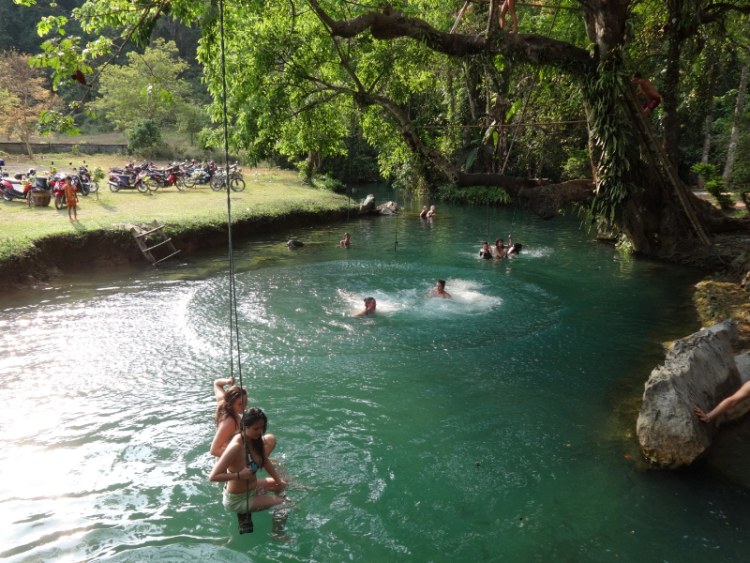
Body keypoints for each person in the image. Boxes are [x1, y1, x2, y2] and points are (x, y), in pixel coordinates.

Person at [209, 408, 288, 534]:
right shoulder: (235, 447)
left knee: (283, 483)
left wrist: (278, 481)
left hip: (252, 488)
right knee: (284, 504)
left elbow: (265, 461)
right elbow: (213, 477)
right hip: (238, 499)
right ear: (244, 427)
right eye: (256, 428)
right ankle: (278, 534)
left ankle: (265, 502)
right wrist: (239, 475)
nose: (260, 432)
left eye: (262, 428)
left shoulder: (254, 440)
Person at [211, 376, 276, 458]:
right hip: (230, 456)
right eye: (240, 404)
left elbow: (217, 383)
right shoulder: (229, 422)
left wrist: (228, 381)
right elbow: (214, 450)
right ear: (231, 403)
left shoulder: (223, 401)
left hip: (238, 449)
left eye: (245, 403)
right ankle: (256, 463)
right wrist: (240, 459)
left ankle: (259, 461)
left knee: (270, 439)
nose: (244, 407)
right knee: (270, 442)